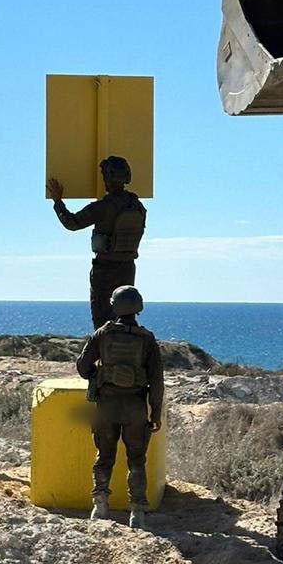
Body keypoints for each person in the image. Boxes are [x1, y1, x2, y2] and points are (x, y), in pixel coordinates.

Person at [76, 284, 163, 528]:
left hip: (107, 405)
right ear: (139, 308)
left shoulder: (103, 334)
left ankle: (100, 505)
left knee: (104, 455)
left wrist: (98, 375)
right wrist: (155, 412)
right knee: (136, 458)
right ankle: (137, 512)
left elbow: (83, 367)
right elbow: (156, 381)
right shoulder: (147, 338)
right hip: (135, 407)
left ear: (115, 305)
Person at [46, 154, 147, 329]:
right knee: (125, 317)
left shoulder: (103, 207)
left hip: (104, 270)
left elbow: (71, 223)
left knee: (102, 323)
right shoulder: (138, 206)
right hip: (128, 268)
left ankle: (105, 353)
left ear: (107, 178)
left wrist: (57, 201)